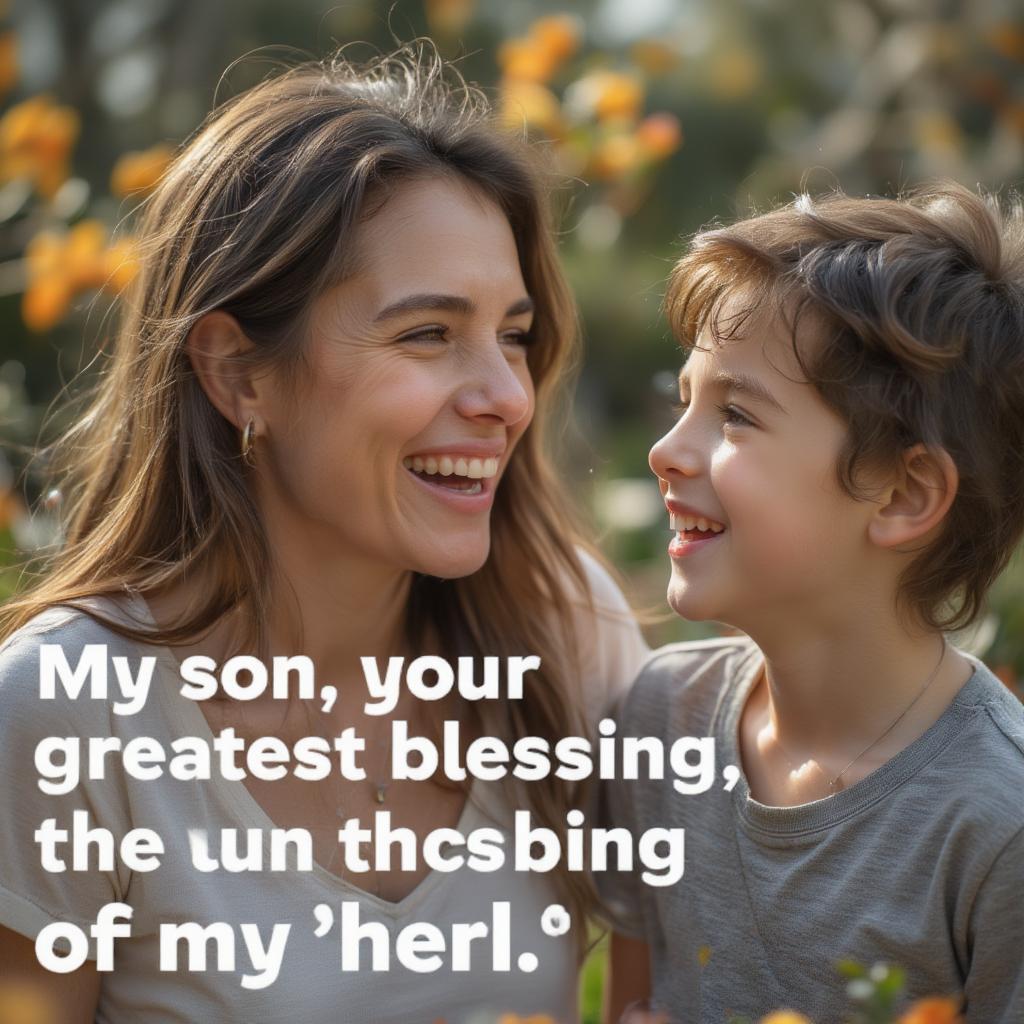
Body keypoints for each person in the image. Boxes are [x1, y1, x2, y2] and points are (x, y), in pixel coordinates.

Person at [0, 47, 648, 1023]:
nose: (507, 397)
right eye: (427, 333)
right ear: (236, 375)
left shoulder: (565, 634)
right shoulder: (68, 713)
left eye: (512, 334)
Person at [599, 183, 1024, 1023]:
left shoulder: (995, 825)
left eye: (737, 416)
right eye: (684, 400)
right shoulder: (658, 720)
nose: (666, 450)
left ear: (903, 494)